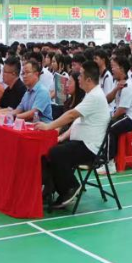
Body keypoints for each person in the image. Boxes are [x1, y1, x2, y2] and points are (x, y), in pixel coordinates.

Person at [35, 61, 109, 209]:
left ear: (89, 79)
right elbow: (76, 121)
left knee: (56, 153)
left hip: (89, 147)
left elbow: (71, 115)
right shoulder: (90, 94)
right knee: (48, 150)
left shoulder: (95, 96)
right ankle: (50, 189)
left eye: (80, 75)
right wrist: (61, 136)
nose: (78, 78)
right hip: (81, 142)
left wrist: (49, 126)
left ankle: (70, 187)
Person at [100, 56, 132, 173]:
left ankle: (109, 163)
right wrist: (115, 90)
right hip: (123, 116)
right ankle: (103, 157)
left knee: (110, 128)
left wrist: (110, 119)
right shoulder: (118, 83)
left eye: (114, 67)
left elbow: (122, 110)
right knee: (106, 124)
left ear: (122, 69)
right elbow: (107, 100)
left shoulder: (128, 86)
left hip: (131, 118)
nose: (112, 69)